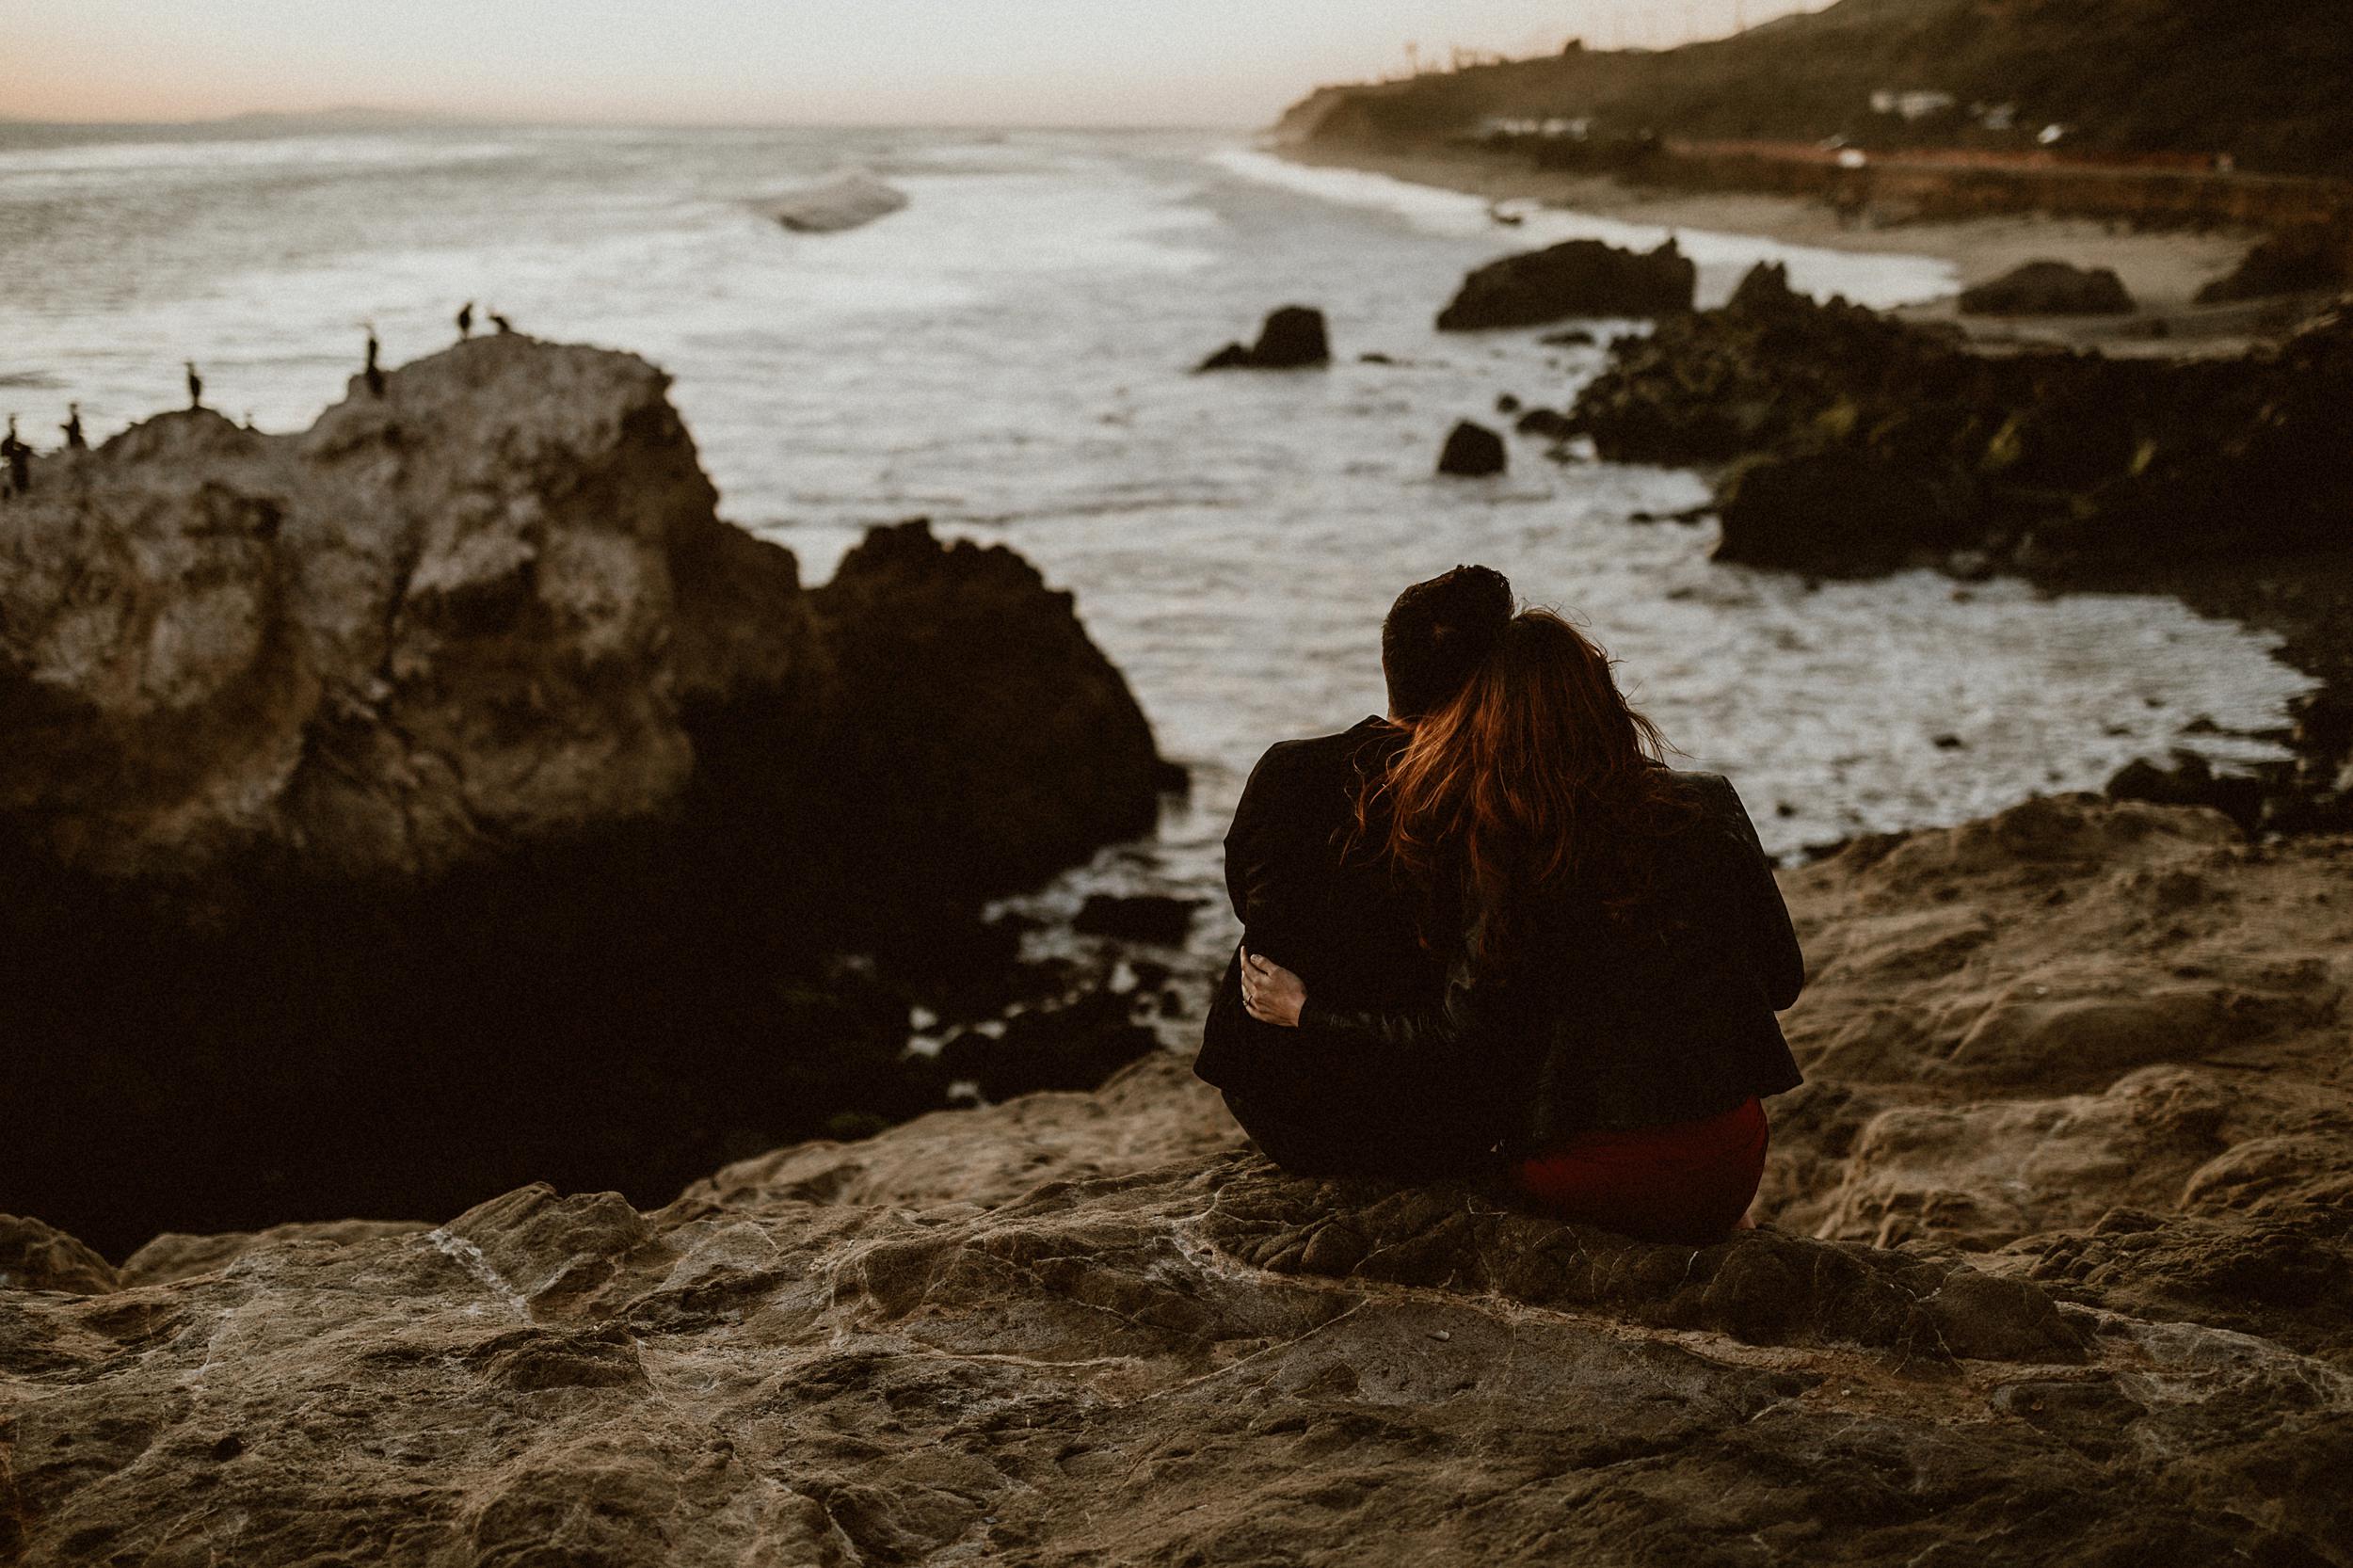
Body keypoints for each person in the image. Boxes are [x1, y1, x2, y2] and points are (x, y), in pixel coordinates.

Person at [1239, 608, 1804, 1243]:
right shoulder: (1708, 800)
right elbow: (1783, 981)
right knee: (1704, 1196)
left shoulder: (1502, 845)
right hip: (1731, 1154)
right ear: (1605, 700)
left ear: (1491, 718)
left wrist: (1306, 1012)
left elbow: (1453, 1038)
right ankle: (1723, 1220)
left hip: (1591, 1173)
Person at [1195, 564, 1516, 1178]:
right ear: (1493, 684)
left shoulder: (1285, 769)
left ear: (1389, 662)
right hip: (1430, 1124)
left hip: (1275, 1105)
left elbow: (1247, 899)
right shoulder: (1494, 799)